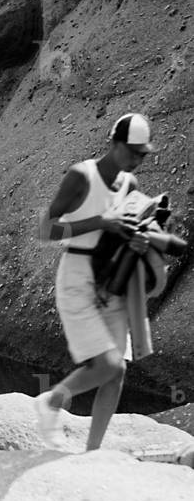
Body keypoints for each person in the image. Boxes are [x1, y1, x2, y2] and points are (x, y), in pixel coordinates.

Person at [35, 113, 154, 451]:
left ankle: (94, 452)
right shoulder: (81, 176)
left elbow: (125, 231)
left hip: (111, 279)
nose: (136, 159)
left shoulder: (130, 185)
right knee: (108, 364)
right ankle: (52, 401)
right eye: (132, 151)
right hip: (77, 274)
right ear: (115, 144)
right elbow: (45, 230)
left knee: (117, 373)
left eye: (142, 154)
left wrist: (138, 241)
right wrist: (101, 221)